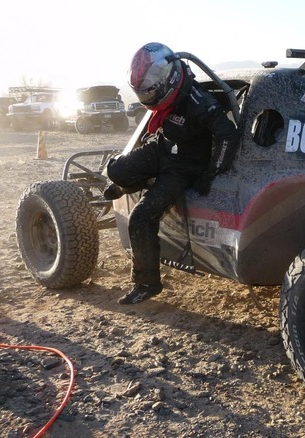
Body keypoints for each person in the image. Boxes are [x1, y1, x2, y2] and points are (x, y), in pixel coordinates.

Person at [105, 42, 240, 305]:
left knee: (140, 218)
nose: (148, 97)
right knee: (115, 170)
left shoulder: (200, 102)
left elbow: (228, 135)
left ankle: (146, 284)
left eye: (150, 90)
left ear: (168, 80)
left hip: (183, 168)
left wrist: (211, 173)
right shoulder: (169, 95)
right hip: (163, 148)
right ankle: (133, 184)